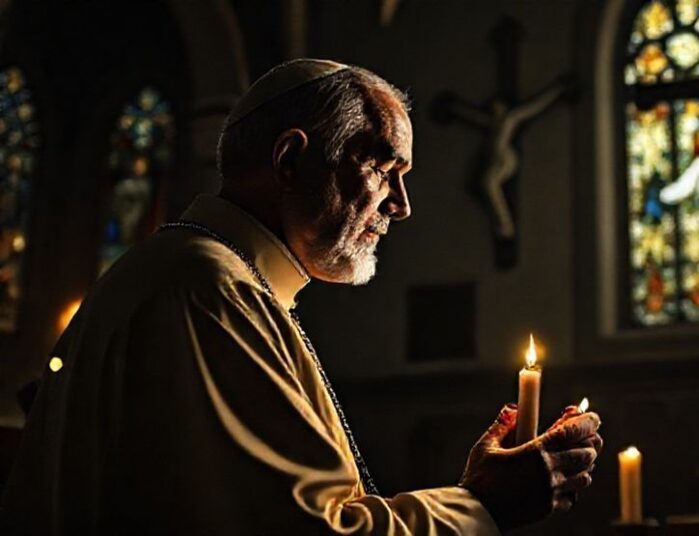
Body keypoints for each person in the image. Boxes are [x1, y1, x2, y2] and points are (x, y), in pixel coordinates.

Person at [0, 59, 602, 534]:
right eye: (383, 168)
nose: (401, 205)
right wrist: (483, 507)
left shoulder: (213, 278)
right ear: (290, 160)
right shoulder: (209, 291)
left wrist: (475, 497)